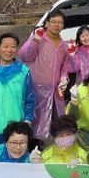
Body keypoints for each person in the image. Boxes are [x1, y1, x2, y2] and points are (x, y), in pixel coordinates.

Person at [19, 10, 71, 142]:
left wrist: (64, 77)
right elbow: (25, 56)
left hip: (55, 92)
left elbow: (65, 64)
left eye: (60, 22)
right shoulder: (39, 38)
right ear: (47, 23)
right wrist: (35, 40)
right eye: (54, 22)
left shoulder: (63, 45)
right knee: (34, 123)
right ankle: (34, 148)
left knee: (57, 124)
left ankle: (57, 148)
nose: (57, 25)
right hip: (36, 90)